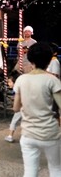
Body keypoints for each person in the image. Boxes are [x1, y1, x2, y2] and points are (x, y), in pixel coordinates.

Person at [13, 43, 61, 177]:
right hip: (50, 133)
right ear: (48, 60)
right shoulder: (52, 80)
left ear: (31, 59)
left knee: (30, 171)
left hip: (28, 134)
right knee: (56, 169)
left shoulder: (21, 79)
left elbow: (16, 108)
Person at [4, 70, 22, 143]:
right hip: (26, 107)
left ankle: (10, 136)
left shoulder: (16, 88)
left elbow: (17, 100)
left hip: (21, 108)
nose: (8, 84)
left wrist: (15, 107)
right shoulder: (20, 87)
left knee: (13, 121)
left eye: (9, 82)